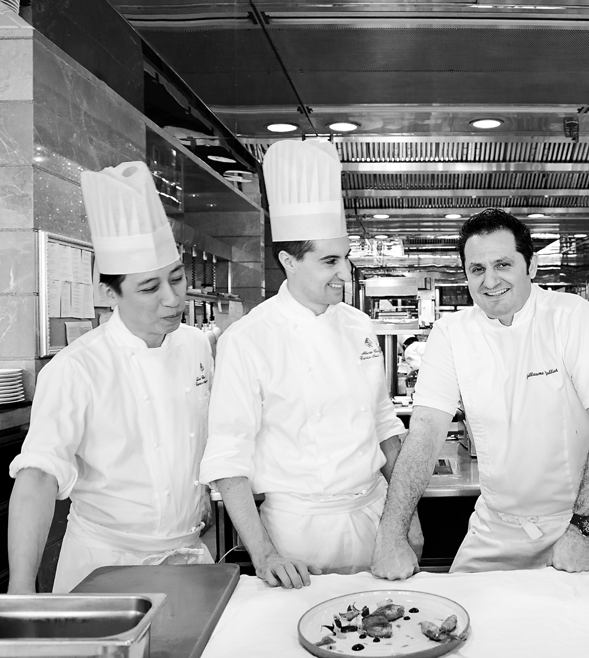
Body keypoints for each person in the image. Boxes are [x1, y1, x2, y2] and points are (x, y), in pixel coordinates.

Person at [371, 209, 589, 579]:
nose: (490, 280)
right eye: (477, 269)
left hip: (582, 522)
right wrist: (391, 534)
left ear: (530, 267)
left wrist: (583, 531)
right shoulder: (452, 333)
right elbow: (425, 433)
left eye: (503, 264)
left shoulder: (570, 317)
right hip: (498, 526)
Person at [199, 140, 418, 590]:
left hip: (376, 516)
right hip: (299, 534)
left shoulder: (356, 324)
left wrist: (404, 520)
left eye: (346, 257)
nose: (345, 272)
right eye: (329, 261)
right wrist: (265, 554)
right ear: (288, 262)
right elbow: (227, 456)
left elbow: (384, 425)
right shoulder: (248, 339)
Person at [7, 162, 215, 593]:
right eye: (149, 288)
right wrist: (23, 588)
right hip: (105, 566)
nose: (173, 298)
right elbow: (39, 474)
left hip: (189, 557)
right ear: (108, 293)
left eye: (176, 279)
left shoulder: (195, 345)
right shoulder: (77, 367)